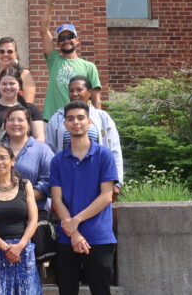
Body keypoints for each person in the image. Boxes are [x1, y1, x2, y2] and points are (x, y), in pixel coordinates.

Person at [49, 101, 119, 295]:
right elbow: (56, 200)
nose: (76, 122)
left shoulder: (104, 155)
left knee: (101, 291)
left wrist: (76, 221)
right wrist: (73, 233)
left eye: (80, 118)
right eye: (70, 119)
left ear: (89, 122)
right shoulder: (57, 160)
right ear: (65, 124)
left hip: (98, 236)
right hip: (66, 238)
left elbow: (106, 196)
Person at [0, 143, 42, 295]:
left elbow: (33, 220)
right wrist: (5, 247)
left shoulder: (25, 185)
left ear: (12, 161)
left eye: (3, 158)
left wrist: (20, 246)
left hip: (22, 251)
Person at [46, 76, 124, 195]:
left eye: (79, 90)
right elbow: (49, 150)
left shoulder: (102, 117)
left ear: (89, 92)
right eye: (71, 90)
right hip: (66, 177)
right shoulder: (57, 118)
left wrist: (117, 183)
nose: (74, 93)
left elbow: (114, 150)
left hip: (98, 178)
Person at [41, 0, 103, 122]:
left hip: (78, 121)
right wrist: (50, 2)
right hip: (53, 120)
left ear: (77, 40)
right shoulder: (54, 60)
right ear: (57, 44)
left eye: (70, 36)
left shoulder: (89, 66)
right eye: (61, 39)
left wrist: (98, 122)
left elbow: (95, 98)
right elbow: (44, 30)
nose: (66, 40)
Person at [0, 105, 53, 210]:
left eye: (20, 120)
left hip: (35, 210)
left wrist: (20, 201)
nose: (15, 123)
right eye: (11, 120)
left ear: (29, 124)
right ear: (5, 124)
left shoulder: (42, 150)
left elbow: (49, 181)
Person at [0, 66, 45, 154]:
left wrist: (27, 156)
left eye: (12, 84)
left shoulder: (31, 109)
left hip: (26, 158)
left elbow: (40, 137)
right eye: (4, 84)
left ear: (19, 86)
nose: (8, 87)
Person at [0, 37, 36, 106]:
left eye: (10, 51)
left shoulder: (24, 74)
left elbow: (28, 106)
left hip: (15, 116)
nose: (5, 54)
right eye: (1, 51)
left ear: (15, 55)